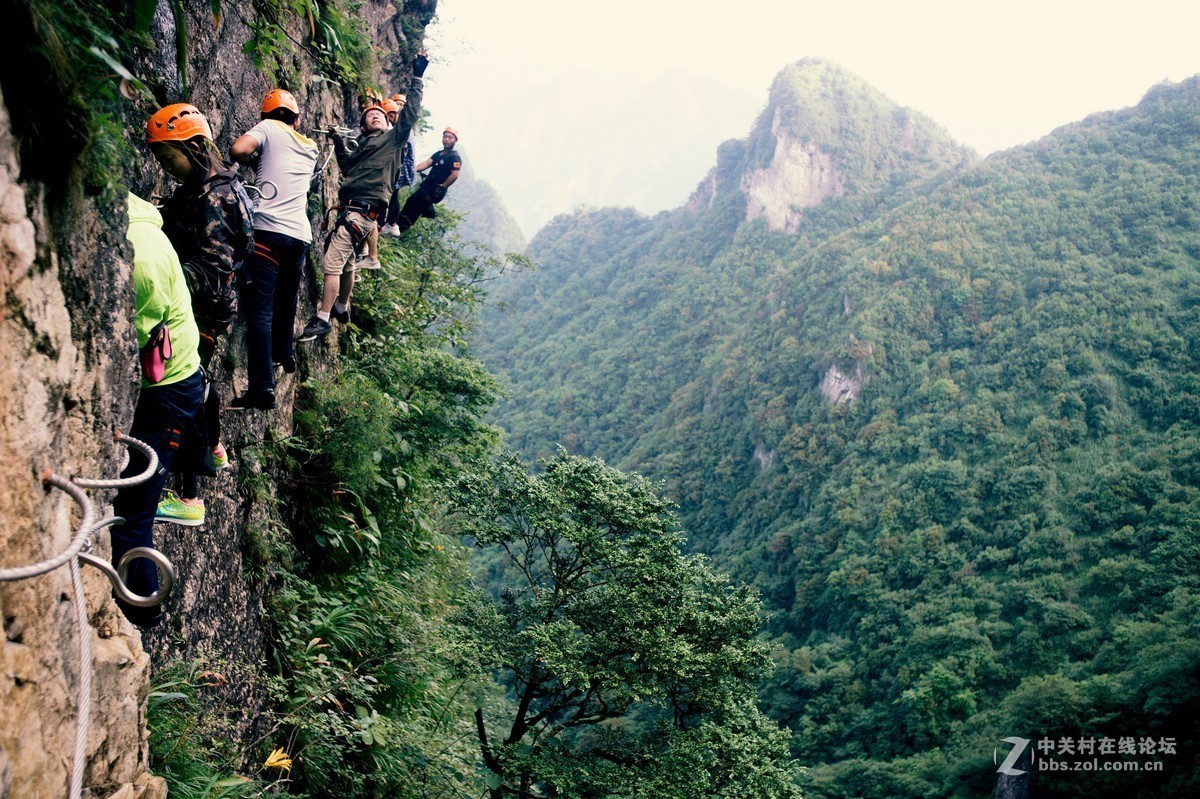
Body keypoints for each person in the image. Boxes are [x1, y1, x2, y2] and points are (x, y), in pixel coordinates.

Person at [145, 103, 254, 525]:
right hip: (205, 306)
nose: (164, 166)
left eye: (167, 157)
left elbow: (214, 266)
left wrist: (167, 280)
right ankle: (213, 447)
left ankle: (190, 498)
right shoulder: (201, 184)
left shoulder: (214, 196)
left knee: (187, 388)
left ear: (191, 147)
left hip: (203, 309)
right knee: (201, 382)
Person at [112, 192, 205, 627]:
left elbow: (137, 331)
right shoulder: (148, 229)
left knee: (134, 509)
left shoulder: (141, 255)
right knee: (136, 502)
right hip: (183, 378)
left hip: (170, 390)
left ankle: (139, 608)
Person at [298, 51, 428, 341]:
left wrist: (417, 76)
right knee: (346, 264)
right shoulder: (365, 146)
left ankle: (322, 317)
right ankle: (342, 307)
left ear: (387, 123)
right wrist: (338, 142)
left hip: (360, 213)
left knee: (331, 263)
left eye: (379, 115)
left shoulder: (393, 140)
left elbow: (410, 114)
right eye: (370, 116)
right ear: (364, 125)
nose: (376, 117)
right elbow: (347, 167)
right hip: (357, 213)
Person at [229, 88, 319, 407]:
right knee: (287, 297)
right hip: (299, 237)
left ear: (266, 116)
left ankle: (262, 389)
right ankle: (284, 350)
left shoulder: (267, 128)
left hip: (268, 230)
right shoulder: (311, 147)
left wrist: (251, 159)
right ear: (297, 119)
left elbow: (239, 148)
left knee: (260, 309)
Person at [391, 126, 461, 235]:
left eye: (450, 138)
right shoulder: (439, 154)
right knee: (411, 202)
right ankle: (396, 227)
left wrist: (442, 187)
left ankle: (398, 230)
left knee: (414, 206)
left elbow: (455, 175)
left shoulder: (454, 157)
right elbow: (427, 163)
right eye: (445, 137)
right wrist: (413, 170)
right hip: (427, 186)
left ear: (455, 141)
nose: (446, 139)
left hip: (434, 189)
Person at [380, 93, 416, 237]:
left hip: (401, 165)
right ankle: (391, 224)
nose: (400, 107)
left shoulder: (403, 125)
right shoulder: (400, 123)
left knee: (392, 194)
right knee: (392, 194)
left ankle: (391, 224)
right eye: (397, 104)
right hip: (400, 164)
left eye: (402, 104)